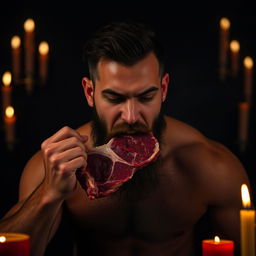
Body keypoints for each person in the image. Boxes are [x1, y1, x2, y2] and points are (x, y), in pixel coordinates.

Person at [0, 20, 252, 256]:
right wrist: (48, 194)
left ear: (163, 89)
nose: (131, 116)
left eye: (145, 97)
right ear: (90, 92)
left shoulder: (210, 164)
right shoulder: (57, 165)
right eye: (115, 98)